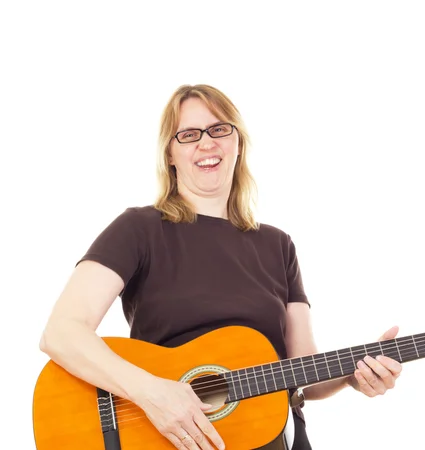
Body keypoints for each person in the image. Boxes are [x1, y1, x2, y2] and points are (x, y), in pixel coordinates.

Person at [38, 84, 403, 450]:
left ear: (238, 142)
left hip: (274, 439)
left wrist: (353, 375)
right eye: (189, 134)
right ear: (170, 153)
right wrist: (153, 394)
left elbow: (303, 369)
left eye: (219, 129)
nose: (206, 143)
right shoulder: (139, 229)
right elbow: (61, 332)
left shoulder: (279, 246)